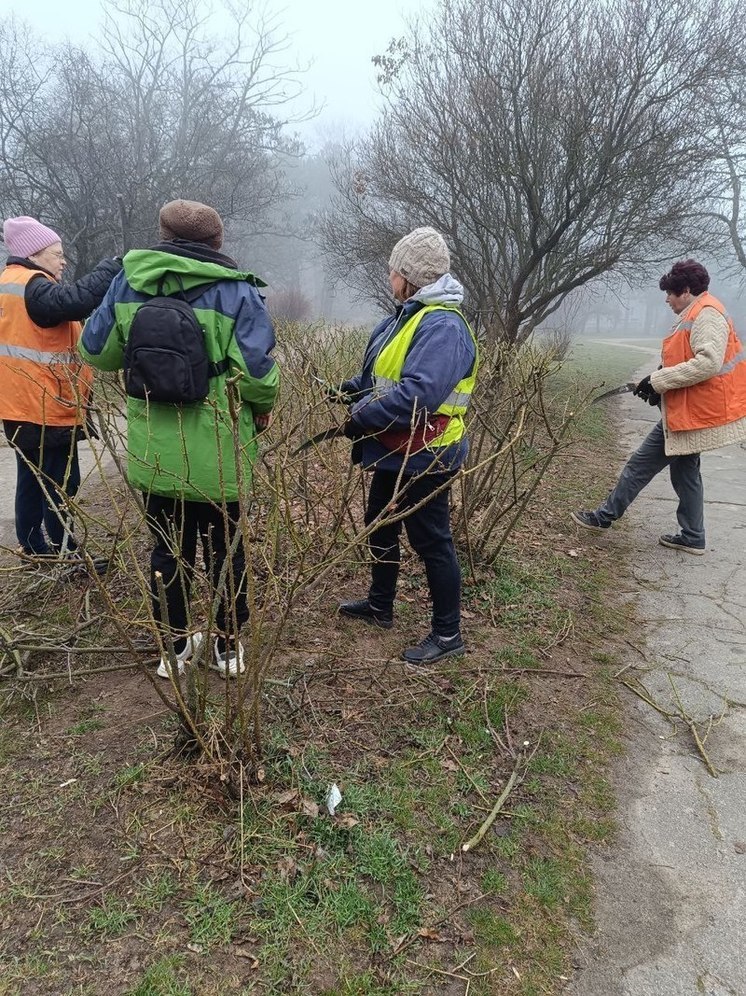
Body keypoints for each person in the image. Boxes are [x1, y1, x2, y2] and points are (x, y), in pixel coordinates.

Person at [80, 199, 279, 678]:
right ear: (217, 243)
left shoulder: (128, 282)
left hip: (154, 454)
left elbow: (96, 351)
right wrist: (265, 409)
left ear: (164, 236)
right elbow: (257, 376)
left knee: (167, 549)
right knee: (226, 550)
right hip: (220, 454)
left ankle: (173, 649)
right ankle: (228, 649)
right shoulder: (237, 294)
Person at [337, 227, 479, 664]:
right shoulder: (409, 314)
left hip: (428, 452)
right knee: (379, 523)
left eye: (393, 270)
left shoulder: (442, 325)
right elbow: (385, 377)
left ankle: (448, 635)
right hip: (396, 448)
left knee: (432, 540)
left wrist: (361, 416)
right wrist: (353, 390)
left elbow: (419, 394)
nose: (389, 276)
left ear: (409, 276)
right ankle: (380, 606)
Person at [572, 259, 746, 553]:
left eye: (670, 293)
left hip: (693, 414)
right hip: (689, 411)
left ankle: (603, 518)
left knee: (640, 464)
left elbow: (707, 362)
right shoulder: (697, 311)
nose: (666, 299)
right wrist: (655, 386)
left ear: (686, 291)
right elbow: (684, 360)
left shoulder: (707, 314)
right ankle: (693, 536)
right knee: (686, 473)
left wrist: (659, 380)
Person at [0, 216, 122, 559]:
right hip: (46, 405)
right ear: (34, 254)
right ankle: (65, 551)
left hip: (20, 406)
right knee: (60, 483)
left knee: (31, 479)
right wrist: (109, 269)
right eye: (57, 253)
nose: (63, 260)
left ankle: (34, 547)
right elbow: (76, 300)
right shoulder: (34, 287)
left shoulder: (9, 282)